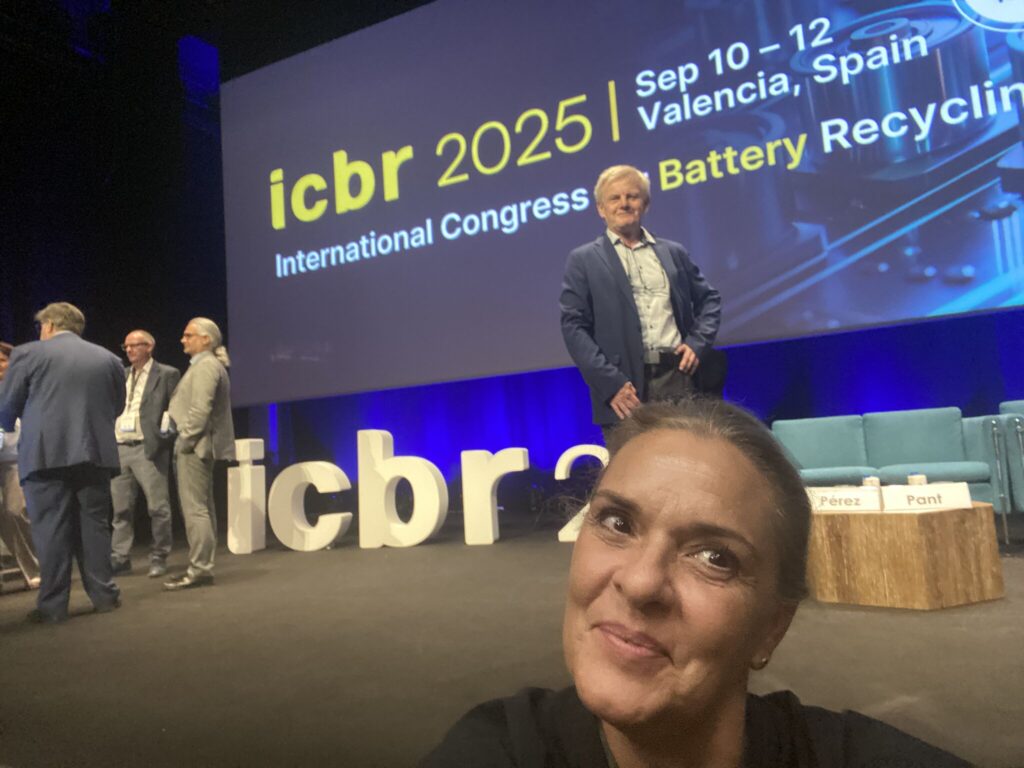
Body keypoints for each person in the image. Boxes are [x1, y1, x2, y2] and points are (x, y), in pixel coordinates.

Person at [419, 399, 970, 767]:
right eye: (617, 523)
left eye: (714, 558)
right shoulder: (497, 748)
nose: (640, 583)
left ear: (773, 627)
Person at [560, 165, 722, 442]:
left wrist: (697, 343)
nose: (624, 203)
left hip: (677, 379)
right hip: (624, 389)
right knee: (632, 467)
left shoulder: (673, 252)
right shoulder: (583, 260)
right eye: (614, 198)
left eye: (632, 196)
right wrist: (610, 384)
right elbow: (573, 327)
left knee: (683, 459)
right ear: (601, 209)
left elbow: (710, 300)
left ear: (645, 204)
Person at [0, 303, 125, 623]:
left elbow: (6, 409)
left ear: (50, 325)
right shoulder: (109, 359)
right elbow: (118, 406)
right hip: (95, 454)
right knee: (95, 527)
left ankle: (53, 606)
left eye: (40, 327)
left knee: (51, 530)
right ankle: (104, 596)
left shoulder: (27, 354)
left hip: (45, 456)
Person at [163, 317, 235, 591]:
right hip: (199, 444)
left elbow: (200, 409)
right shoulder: (206, 365)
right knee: (202, 508)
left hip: (196, 445)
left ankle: (200, 569)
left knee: (195, 509)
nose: (183, 339)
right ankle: (201, 567)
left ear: (206, 339)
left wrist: (185, 439)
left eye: (188, 335)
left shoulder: (206, 366)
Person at [109, 329, 181, 578]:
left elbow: (175, 408)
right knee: (120, 509)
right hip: (120, 446)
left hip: (147, 447)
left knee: (158, 507)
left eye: (134, 345)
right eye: (126, 346)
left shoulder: (167, 374)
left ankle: (159, 556)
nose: (129, 350)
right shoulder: (122, 374)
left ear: (149, 347)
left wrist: (164, 437)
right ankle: (120, 557)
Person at [0, 341, 41, 590]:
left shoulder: (24, 389)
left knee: (16, 511)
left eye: (1, 361)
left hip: (15, 458)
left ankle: (37, 567)